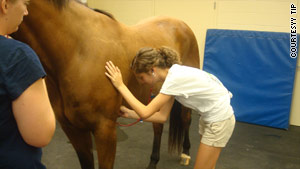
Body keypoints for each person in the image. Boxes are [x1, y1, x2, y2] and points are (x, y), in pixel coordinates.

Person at [105, 46, 235, 169]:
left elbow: (145, 112)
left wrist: (120, 85)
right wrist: (131, 114)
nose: (140, 82)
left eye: (141, 77)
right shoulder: (173, 76)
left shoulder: (174, 80)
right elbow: (162, 117)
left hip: (219, 120)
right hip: (211, 117)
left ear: (152, 70)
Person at [0, 0, 56, 168]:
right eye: (25, 4)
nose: (26, 12)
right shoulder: (18, 55)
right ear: (4, 5)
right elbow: (40, 135)